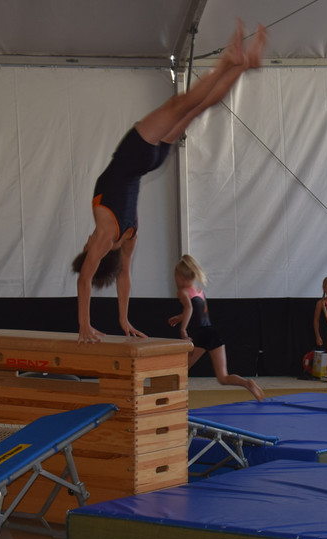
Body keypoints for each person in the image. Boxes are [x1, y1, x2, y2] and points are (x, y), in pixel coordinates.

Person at [75, 21, 266, 343]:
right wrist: (84, 324)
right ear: (93, 252)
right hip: (135, 154)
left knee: (197, 108)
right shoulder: (103, 234)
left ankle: (242, 67)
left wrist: (123, 320)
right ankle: (229, 62)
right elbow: (84, 280)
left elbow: (124, 278)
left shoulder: (127, 236)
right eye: (86, 247)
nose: (86, 242)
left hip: (151, 161)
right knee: (183, 103)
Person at [167, 254, 264, 401]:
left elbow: (189, 309)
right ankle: (247, 383)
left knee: (181, 369)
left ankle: (171, 397)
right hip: (212, 333)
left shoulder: (183, 292)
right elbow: (197, 311)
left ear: (180, 277)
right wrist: (180, 317)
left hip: (200, 335)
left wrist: (183, 329)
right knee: (223, 377)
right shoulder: (199, 291)